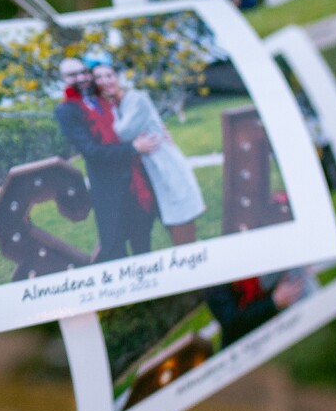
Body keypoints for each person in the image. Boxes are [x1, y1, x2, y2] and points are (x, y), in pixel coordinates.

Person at [53, 59, 161, 264]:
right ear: (64, 80)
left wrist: (160, 133)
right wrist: (133, 148)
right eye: (72, 75)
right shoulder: (66, 111)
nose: (81, 78)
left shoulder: (104, 99)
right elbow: (91, 152)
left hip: (135, 181)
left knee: (142, 238)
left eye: (84, 72)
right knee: (114, 247)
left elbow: (136, 121)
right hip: (108, 190)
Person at [93, 63, 206, 247]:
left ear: (118, 77)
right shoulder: (119, 104)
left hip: (167, 171)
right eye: (98, 78)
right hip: (152, 177)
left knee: (184, 236)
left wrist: (105, 110)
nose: (105, 81)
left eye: (109, 75)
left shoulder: (135, 99)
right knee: (176, 231)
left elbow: (120, 133)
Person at [204, 270, 313, 345]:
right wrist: (273, 302)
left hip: (286, 322)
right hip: (246, 345)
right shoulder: (214, 282)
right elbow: (232, 321)